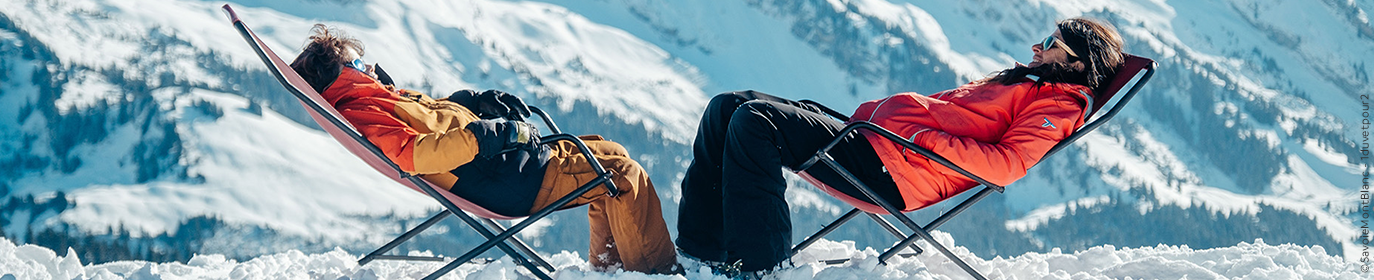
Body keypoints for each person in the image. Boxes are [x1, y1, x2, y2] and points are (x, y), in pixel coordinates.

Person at [676, 17, 1126, 276]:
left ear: (1078, 64)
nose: (1037, 46)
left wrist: (923, 138)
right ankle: (701, 252)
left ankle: (760, 265)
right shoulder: (1035, 85)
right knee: (727, 106)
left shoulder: (1058, 105)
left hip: (892, 168)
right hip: (876, 143)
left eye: (1050, 44)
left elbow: (1007, 166)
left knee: (755, 122)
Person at [287, 24, 678, 274]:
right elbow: (415, 154)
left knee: (609, 152)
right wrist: (487, 136)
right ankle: (656, 274)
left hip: (504, 164)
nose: (369, 66)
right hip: (506, 177)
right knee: (623, 176)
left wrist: (471, 102)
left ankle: (612, 268)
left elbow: (434, 121)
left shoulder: (376, 98)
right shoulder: (366, 107)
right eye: (357, 60)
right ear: (342, 72)